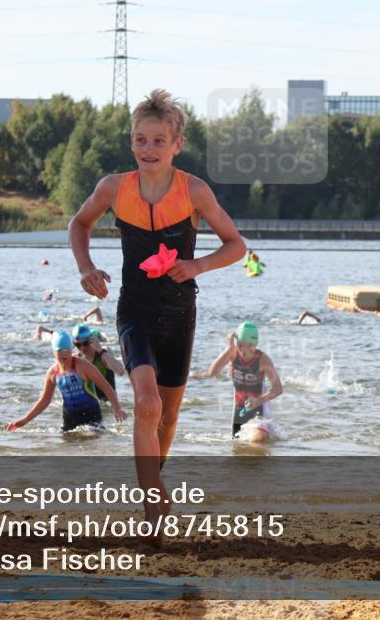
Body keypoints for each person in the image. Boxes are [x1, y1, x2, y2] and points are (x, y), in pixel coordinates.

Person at [68, 89, 246, 534]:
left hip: (181, 315)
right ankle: (153, 503)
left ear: (176, 145)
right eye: (141, 140)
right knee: (146, 404)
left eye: (159, 141)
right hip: (135, 312)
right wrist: (86, 267)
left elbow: (236, 245)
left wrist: (197, 265)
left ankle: (155, 482)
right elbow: (79, 223)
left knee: (166, 417)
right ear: (132, 143)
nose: (149, 149)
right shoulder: (115, 187)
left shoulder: (194, 191)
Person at [7, 330, 127, 433]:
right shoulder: (53, 373)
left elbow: (106, 387)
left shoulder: (82, 366)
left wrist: (117, 408)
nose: (64, 354)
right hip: (69, 419)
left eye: (67, 350)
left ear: (71, 349)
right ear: (54, 351)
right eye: (60, 350)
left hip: (91, 416)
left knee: (90, 438)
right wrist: (24, 420)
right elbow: (44, 401)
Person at [196, 322, 284, 443]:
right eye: (240, 345)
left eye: (249, 346)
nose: (244, 350)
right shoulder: (233, 354)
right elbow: (212, 372)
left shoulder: (263, 359)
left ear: (255, 344)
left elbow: (278, 389)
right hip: (239, 410)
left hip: (259, 409)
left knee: (258, 439)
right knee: (238, 448)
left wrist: (258, 400)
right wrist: (229, 348)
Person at [72, 324, 125, 404]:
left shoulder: (103, 354)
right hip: (89, 406)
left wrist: (100, 350)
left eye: (86, 343)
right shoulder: (76, 359)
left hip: (107, 404)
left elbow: (121, 371)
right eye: (78, 345)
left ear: (92, 340)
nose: (82, 348)